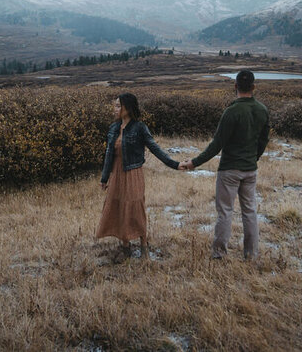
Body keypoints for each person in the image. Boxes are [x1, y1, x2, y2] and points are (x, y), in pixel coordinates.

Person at [179, 70, 269, 260]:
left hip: (229, 170)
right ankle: (251, 255)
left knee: (225, 212)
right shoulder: (262, 110)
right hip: (250, 169)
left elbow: (217, 144)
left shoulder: (231, 112)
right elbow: (263, 140)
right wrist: (254, 158)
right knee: (250, 211)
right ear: (254, 87)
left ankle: (219, 254)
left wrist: (194, 162)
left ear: (235, 86)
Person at [96, 92, 179, 262]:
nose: (115, 109)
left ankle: (143, 246)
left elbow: (155, 149)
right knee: (119, 208)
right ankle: (126, 248)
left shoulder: (140, 128)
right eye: (115, 105)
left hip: (133, 173)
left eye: (118, 105)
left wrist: (174, 164)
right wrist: (104, 178)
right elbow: (109, 155)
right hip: (117, 174)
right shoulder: (113, 128)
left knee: (135, 208)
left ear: (127, 108)